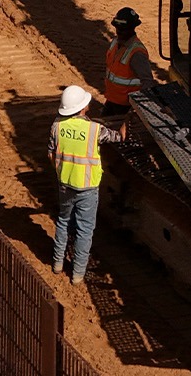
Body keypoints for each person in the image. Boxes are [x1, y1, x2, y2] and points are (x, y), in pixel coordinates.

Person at [48, 85, 120, 284]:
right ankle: (78, 274)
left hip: (65, 184)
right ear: (82, 107)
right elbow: (118, 137)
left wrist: (62, 171)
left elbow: (51, 153)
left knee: (63, 221)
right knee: (84, 229)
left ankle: (57, 264)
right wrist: (129, 120)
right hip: (87, 188)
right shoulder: (95, 129)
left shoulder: (57, 126)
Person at [99, 8, 155, 122]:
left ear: (132, 29)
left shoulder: (137, 53)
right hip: (112, 100)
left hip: (126, 106)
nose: (119, 32)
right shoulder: (115, 42)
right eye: (117, 28)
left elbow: (147, 81)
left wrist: (136, 108)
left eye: (123, 29)